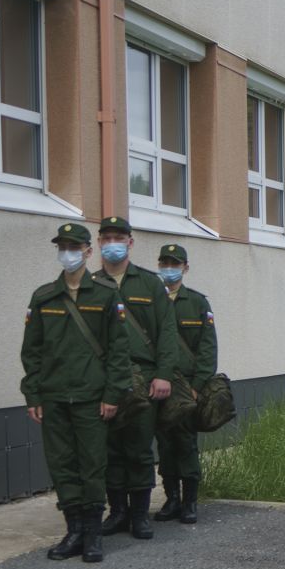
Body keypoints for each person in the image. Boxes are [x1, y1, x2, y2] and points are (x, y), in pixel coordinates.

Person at [22, 222, 133, 563]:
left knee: (92, 464)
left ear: (88, 251)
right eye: (62, 247)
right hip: (54, 397)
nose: (67, 253)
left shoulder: (105, 296)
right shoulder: (43, 297)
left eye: (74, 247)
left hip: (91, 397)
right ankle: (74, 531)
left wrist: (112, 394)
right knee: (62, 464)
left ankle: (93, 533)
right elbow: (32, 352)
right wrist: (34, 395)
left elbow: (118, 350)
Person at [93, 215, 184, 540]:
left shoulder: (149, 284)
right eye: (107, 238)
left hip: (144, 378)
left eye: (120, 238)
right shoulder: (92, 284)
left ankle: (139, 514)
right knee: (110, 448)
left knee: (139, 447)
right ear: (100, 242)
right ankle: (117, 511)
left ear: (130, 243)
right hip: (106, 381)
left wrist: (163, 375)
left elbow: (167, 333)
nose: (113, 243)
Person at [151, 243, 217, 525]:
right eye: (165, 263)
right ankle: (171, 499)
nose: (169, 268)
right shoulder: (151, 300)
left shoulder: (198, 302)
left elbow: (207, 348)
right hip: (159, 383)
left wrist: (197, 384)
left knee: (186, 444)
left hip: (187, 385)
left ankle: (190, 501)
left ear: (185, 268)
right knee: (165, 445)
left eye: (175, 264)